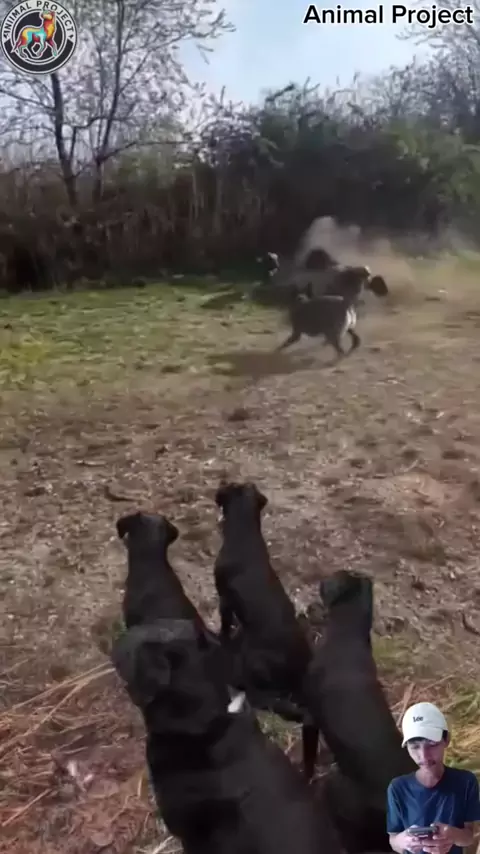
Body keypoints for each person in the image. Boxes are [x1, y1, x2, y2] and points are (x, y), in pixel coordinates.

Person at [387, 702, 480, 854]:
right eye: (415, 747)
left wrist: (451, 835)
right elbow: (393, 840)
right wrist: (404, 841)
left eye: (431, 744)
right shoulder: (398, 788)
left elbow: (468, 837)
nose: (424, 756)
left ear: (446, 739)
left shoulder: (465, 782)